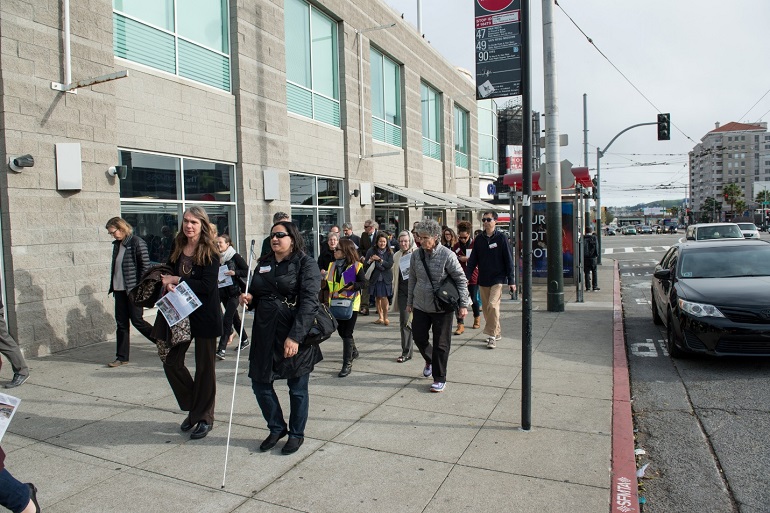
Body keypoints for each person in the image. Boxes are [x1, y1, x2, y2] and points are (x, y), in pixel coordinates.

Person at [240, 220, 323, 455]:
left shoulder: (306, 264)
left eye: (280, 235)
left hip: (294, 334)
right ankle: (276, 427)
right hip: (264, 333)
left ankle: (296, 434)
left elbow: (309, 303)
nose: (275, 239)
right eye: (272, 235)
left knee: (297, 388)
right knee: (260, 383)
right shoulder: (264, 263)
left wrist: (295, 338)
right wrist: (249, 300)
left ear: (293, 238)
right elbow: (257, 295)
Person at [160, 206, 222, 440]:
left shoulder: (210, 251)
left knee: (205, 368)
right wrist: (167, 281)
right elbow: (168, 270)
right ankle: (195, 406)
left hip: (205, 315)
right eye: (186, 221)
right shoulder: (177, 245)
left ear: (202, 225)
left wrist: (179, 279)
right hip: (179, 314)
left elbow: (207, 286)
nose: (189, 226)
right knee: (171, 361)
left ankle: (204, 416)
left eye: (194, 222)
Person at [407, 220, 470, 393]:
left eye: (425, 237)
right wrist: (410, 302)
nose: (421, 241)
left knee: (441, 344)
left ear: (435, 237)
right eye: (419, 237)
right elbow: (412, 279)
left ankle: (439, 377)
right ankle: (430, 359)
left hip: (442, 306)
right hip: (420, 304)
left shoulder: (447, 255)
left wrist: (463, 305)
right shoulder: (416, 255)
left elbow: (461, 280)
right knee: (419, 337)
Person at [105, 217, 154, 368]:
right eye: (110, 233)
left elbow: (145, 268)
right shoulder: (117, 245)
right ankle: (121, 357)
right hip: (119, 290)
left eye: (113, 232)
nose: (112, 235)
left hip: (133, 290)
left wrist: (140, 288)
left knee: (137, 321)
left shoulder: (136, 242)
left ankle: (163, 341)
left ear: (121, 228)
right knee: (121, 324)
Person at [465, 212, 515, 349]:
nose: (486, 222)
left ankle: (491, 336)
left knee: (493, 305)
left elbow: (508, 259)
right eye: (484, 220)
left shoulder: (501, 238)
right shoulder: (479, 239)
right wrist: (466, 277)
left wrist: (511, 280)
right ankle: (497, 332)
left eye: (489, 219)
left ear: (495, 221)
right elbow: (473, 260)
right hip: (483, 278)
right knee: (487, 309)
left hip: (498, 278)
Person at [323, 239, 365, 377]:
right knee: (341, 331)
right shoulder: (332, 266)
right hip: (335, 303)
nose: (334, 251)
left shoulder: (355, 266)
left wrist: (354, 286)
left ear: (346, 251)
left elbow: (364, 283)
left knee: (346, 332)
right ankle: (353, 351)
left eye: (337, 250)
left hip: (351, 304)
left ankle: (347, 363)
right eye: (334, 250)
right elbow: (328, 285)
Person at [215, 235, 250, 360]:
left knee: (227, 319)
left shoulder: (235, 257)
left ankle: (221, 349)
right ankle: (245, 339)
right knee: (234, 319)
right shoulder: (216, 257)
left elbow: (247, 271)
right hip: (223, 292)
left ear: (228, 244)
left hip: (235, 293)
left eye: (220, 243)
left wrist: (235, 273)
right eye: (216, 243)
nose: (218, 245)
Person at [391, 231, 417, 362]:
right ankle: (406, 352)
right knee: (405, 322)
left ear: (410, 240)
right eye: (401, 241)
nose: (403, 243)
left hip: (418, 294)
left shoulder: (417, 253)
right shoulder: (397, 255)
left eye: (405, 241)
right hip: (402, 293)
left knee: (419, 324)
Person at [452, 221, 481, 334]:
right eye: (460, 237)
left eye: (465, 237)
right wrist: (460, 259)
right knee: (458, 301)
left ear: (469, 234)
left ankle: (477, 317)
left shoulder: (475, 244)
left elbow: (478, 258)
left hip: (473, 275)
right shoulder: (456, 246)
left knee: (473, 299)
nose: (463, 239)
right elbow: (453, 258)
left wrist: (469, 259)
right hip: (459, 276)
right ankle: (460, 324)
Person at [365, 232, 394, 325]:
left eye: (384, 242)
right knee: (377, 297)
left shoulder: (390, 251)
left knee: (384, 297)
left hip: (386, 278)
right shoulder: (371, 250)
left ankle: (386, 317)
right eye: (380, 241)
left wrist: (380, 260)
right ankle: (380, 317)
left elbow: (389, 265)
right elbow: (365, 264)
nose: (382, 243)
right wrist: (371, 260)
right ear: (377, 242)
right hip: (375, 277)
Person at [357, 220, 378, 315]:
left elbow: (386, 248)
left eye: (366, 227)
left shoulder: (380, 234)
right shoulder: (364, 235)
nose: (364, 229)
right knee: (365, 284)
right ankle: (364, 307)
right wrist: (361, 257)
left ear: (372, 227)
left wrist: (377, 258)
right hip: (366, 264)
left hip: (377, 263)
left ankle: (379, 308)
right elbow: (360, 249)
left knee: (378, 286)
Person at [583, 226, 600, 291]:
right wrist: (596, 255)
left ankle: (588, 287)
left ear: (585, 231)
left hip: (585, 257)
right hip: (592, 257)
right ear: (591, 231)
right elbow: (597, 248)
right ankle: (594, 286)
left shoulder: (582, 238)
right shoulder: (594, 238)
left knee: (587, 272)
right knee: (594, 271)